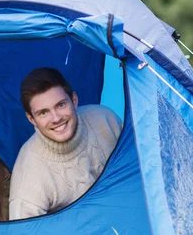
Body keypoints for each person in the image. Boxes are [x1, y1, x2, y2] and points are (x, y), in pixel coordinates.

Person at [9, 68, 122, 220]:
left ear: (74, 100)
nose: (56, 118)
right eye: (43, 113)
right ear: (31, 119)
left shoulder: (105, 119)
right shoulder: (28, 176)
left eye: (61, 105)